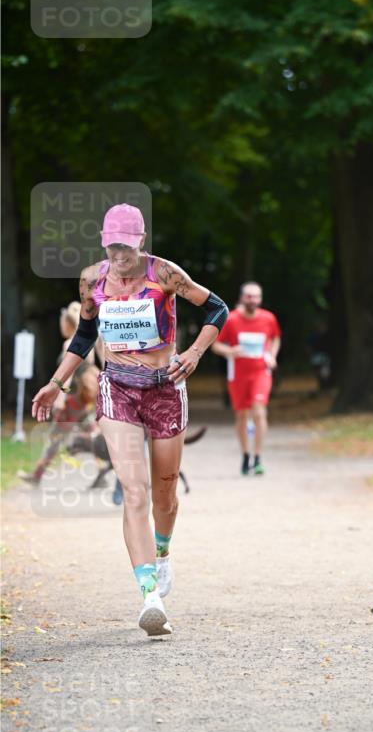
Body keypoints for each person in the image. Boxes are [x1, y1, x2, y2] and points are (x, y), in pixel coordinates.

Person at [31, 203, 229, 637]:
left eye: (126, 246)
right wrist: (56, 383)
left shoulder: (165, 274)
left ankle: (162, 553)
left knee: (164, 492)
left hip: (165, 388)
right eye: (111, 246)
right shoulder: (92, 280)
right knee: (134, 491)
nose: (118, 255)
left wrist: (193, 354)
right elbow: (84, 335)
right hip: (116, 387)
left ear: (140, 242)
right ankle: (149, 595)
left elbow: (217, 308)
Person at [18, 302, 101, 485]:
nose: (60, 326)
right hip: (84, 397)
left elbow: (68, 378)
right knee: (91, 432)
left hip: (72, 398)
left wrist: (59, 399)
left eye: (62, 322)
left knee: (56, 436)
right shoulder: (89, 342)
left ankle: (37, 475)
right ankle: (104, 469)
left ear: (69, 323)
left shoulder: (69, 344)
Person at [211, 281, 281, 476]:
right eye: (249, 296)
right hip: (238, 375)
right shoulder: (231, 319)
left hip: (261, 372)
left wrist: (271, 356)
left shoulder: (268, 318)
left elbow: (275, 338)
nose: (253, 300)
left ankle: (258, 457)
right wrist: (231, 351)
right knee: (242, 416)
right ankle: (245, 455)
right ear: (242, 297)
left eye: (256, 296)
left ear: (260, 299)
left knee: (259, 412)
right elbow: (216, 345)